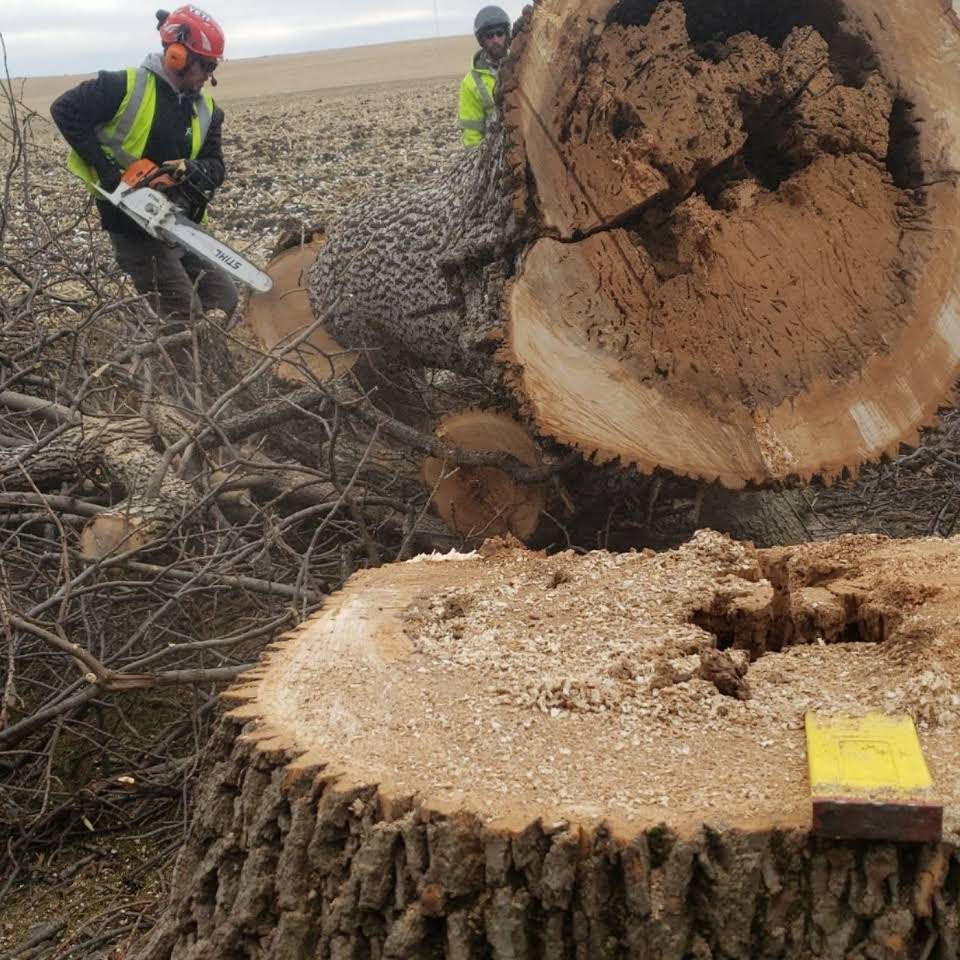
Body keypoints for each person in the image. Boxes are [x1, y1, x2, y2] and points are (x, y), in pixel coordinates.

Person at [51, 6, 237, 331]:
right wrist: (107, 171)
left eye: (213, 65)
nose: (209, 74)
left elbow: (216, 167)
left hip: (177, 221)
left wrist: (187, 168)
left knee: (223, 296)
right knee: (181, 310)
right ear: (178, 55)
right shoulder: (123, 87)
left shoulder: (208, 111)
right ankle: (180, 374)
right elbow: (64, 110)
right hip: (131, 225)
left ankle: (208, 358)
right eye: (206, 65)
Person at [458, 6, 512, 147]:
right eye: (489, 36)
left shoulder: (525, 64)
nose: (495, 40)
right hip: (495, 152)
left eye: (500, 34)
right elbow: (472, 132)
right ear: (481, 41)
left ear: (507, 35)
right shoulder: (470, 83)